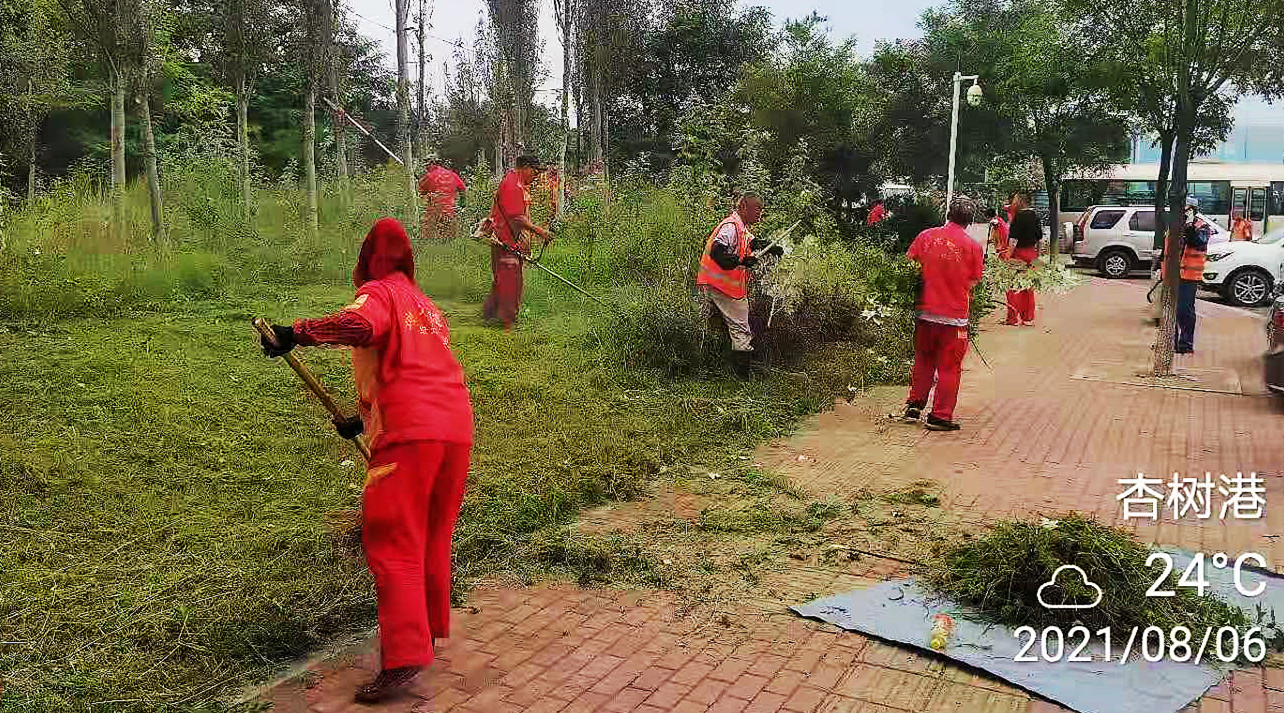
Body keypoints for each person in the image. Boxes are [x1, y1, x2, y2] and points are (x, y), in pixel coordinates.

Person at [259, 217, 474, 703]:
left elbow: (359, 326)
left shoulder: (379, 293)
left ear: (368, 258)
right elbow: (410, 367)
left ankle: (403, 656)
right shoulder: (427, 306)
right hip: (454, 427)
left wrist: (295, 333)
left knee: (392, 537)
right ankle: (426, 628)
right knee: (431, 532)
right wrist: (363, 421)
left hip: (411, 431)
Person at [902, 197, 985, 432]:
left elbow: (909, 266)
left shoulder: (926, 236)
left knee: (923, 360)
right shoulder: (973, 247)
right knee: (949, 368)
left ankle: (914, 405)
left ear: (948, 213)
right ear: (970, 220)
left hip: (925, 313)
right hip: (954, 318)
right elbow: (973, 281)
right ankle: (940, 415)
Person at [695, 194, 783, 377]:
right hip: (724, 287)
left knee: (707, 324)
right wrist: (741, 261)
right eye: (757, 208)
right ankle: (742, 378)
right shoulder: (731, 227)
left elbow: (753, 242)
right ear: (743, 206)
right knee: (741, 328)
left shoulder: (740, 227)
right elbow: (717, 252)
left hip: (712, 284)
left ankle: (703, 363)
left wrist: (771, 247)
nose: (760, 213)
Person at [483, 155, 552, 331]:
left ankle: (490, 315)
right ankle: (507, 325)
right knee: (510, 282)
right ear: (525, 167)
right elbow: (516, 217)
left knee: (504, 279)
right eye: (535, 172)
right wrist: (540, 232)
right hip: (504, 240)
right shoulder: (513, 185)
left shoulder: (516, 182)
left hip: (508, 239)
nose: (536, 176)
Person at [1170, 195, 1211, 354]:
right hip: (1172, 274)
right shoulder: (1175, 224)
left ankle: (1186, 343)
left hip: (1189, 275)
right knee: (1171, 309)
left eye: (1185, 208)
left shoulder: (1201, 226)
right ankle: (1172, 342)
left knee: (1184, 310)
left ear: (1192, 210)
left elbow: (1197, 242)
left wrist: (1189, 226)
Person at [1005, 190, 1041, 326]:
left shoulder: (1018, 217)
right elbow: (1039, 238)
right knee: (1028, 287)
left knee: (1013, 286)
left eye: (1015, 200)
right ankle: (1028, 318)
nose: (1013, 203)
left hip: (1018, 254)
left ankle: (1013, 318)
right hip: (1031, 253)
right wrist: (1037, 254)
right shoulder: (1035, 216)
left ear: (1020, 201)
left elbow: (1013, 240)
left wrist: (1008, 255)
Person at [417, 159, 468, 241]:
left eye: (427, 165)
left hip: (434, 211)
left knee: (430, 237)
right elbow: (462, 188)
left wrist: (420, 181)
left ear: (432, 164)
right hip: (450, 211)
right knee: (449, 238)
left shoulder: (429, 176)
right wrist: (462, 202)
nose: (426, 168)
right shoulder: (452, 175)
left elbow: (422, 192)